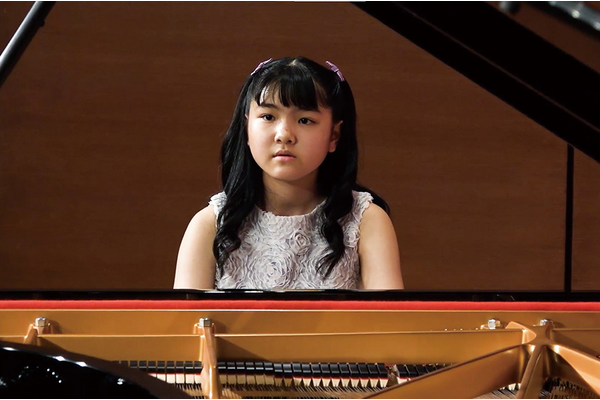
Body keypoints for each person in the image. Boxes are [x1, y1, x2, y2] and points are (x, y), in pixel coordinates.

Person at [174, 56, 403, 291]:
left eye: (305, 120)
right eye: (268, 117)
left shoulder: (366, 221)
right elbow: (184, 315)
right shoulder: (210, 225)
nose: (284, 135)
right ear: (246, 128)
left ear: (334, 135)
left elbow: (392, 314)